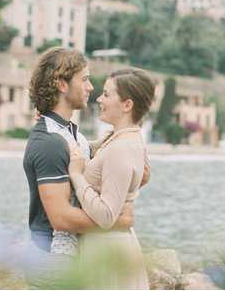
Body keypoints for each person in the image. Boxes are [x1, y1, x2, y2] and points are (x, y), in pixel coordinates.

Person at [22, 47, 146, 288]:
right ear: (62, 84)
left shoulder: (70, 134)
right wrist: (117, 221)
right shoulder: (49, 142)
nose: (91, 88)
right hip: (53, 262)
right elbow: (61, 218)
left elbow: (119, 170)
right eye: (85, 79)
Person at [67, 68, 155, 289]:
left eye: (106, 94)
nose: (99, 98)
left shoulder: (121, 148)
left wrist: (77, 176)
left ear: (127, 105)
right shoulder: (121, 138)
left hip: (107, 250)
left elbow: (106, 215)